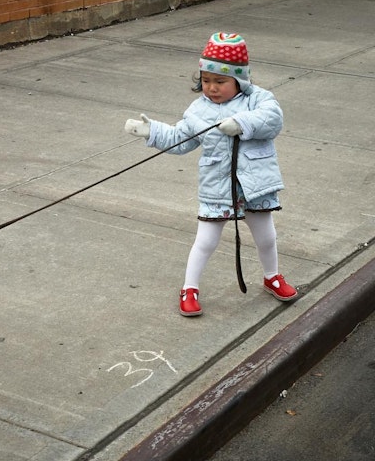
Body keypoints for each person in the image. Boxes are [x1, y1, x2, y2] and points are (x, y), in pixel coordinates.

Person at [124, 32, 297, 317]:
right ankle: (189, 288)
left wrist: (241, 122)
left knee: (266, 236)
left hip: (255, 185)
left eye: (220, 81)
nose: (212, 88)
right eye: (206, 81)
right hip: (217, 186)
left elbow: (273, 119)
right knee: (206, 241)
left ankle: (272, 276)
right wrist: (152, 132)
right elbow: (181, 139)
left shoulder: (258, 99)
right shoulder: (198, 110)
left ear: (239, 81)